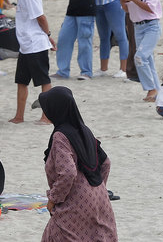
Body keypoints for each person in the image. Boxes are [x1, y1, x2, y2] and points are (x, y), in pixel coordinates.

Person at [39, 86, 117, 241]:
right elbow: (105, 163)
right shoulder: (85, 131)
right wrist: (96, 188)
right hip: (100, 200)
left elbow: (68, 173)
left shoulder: (60, 136)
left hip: (76, 201)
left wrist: (53, 199)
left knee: (54, 236)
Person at [0, 0, 54, 124]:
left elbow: (41, 17)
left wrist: (48, 35)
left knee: (44, 81)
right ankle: (19, 116)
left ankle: (47, 117)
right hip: (26, 45)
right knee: (21, 81)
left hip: (36, 44)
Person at [118, 0, 162, 101]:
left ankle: (151, 89)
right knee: (148, 60)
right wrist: (123, 2)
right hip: (137, 26)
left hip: (152, 25)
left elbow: (151, 8)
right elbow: (126, 9)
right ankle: (158, 92)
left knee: (140, 57)